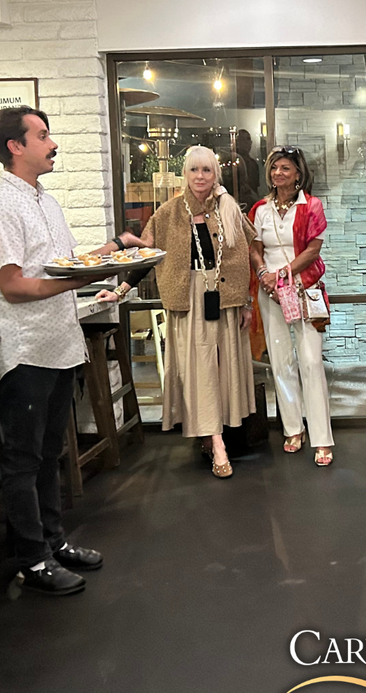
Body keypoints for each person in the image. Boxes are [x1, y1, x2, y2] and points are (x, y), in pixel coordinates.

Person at [0, 106, 142, 595]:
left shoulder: (45, 201)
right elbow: (12, 287)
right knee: (23, 459)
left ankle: (53, 540)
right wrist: (86, 278)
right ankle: (32, 558)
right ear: (16, 146)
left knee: (50, 453)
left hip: (60, 343)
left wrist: (115, 248)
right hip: (26, 349)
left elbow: (65, 264)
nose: (53, 144)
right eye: (43, 135)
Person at [103, 145, 256, 478]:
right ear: (184, 174)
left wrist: (247, 301)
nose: (200, 177)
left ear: (216, 174)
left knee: (221, 371)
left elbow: (246, 253)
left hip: (225, 298)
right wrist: (120, 289)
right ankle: (217, 444)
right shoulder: (168, 213)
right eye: (193, 170)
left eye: (207, 170)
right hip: (187, 301)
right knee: (199, 372)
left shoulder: (228, 208)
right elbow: (146, 256)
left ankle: (209, 433)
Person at [248, 146, 334, 465]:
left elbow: (313, 250)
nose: (278, 174)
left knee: (311, 362)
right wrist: (263, 275)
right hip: (269, 294)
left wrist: (283, 275)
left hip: (304, 290)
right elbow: (255, 248)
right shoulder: (260, 209)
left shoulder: (311, 206)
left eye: (285, 168)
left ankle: (322, 438)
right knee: (281, 363)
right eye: (274, 168)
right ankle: (292, 429)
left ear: (298, 174)